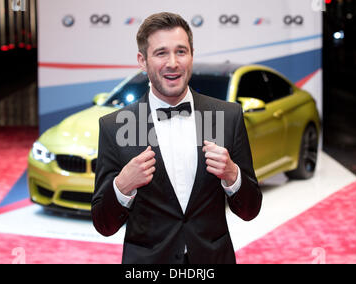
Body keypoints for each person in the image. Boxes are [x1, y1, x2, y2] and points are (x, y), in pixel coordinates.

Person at [91, 12, 262, 264]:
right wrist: (122, 185)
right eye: (161, 53)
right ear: (142, 60)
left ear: (192, 55)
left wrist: (233, 175)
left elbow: (250, 210)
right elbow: (103, 224)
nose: (173, 62)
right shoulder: (115, 126)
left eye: (181, 51)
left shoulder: (227, 116)